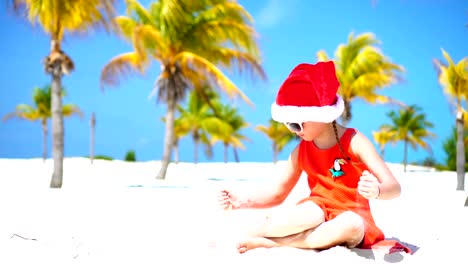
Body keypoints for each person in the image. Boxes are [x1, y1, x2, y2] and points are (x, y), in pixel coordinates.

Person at [217, 61, 402, 254]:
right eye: (288, 125)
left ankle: (272, 243)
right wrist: (241, 202)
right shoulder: (300, 152)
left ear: (321, 115)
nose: (294, 131)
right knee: (304, 216)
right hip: (318, 207)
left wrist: (377, 191)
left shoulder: (354, 141)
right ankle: (235, 238)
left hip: (352, 214)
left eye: (296, 124)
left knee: (351, 224)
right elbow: (278, 194)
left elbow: (395, 188)